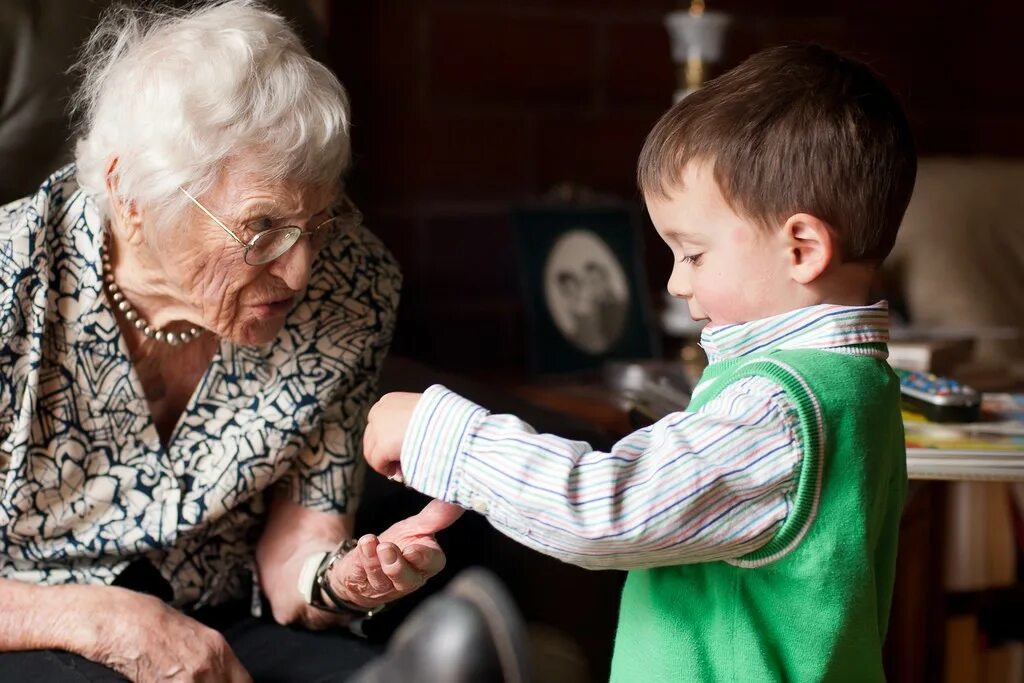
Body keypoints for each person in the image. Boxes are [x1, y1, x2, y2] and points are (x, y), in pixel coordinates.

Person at [362, 43, 916, 682]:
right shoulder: (857, 383)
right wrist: (478, 481)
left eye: (693, 254)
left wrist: (444, 436)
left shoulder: (776, 408)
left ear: (802, 248)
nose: (678, 283)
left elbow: (606, 512)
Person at [0, 2, 460, 681]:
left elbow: (295, 552)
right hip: (29, 619)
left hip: (216, 613)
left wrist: (342, 576)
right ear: (132, 193)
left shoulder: (351, 285)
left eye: (320, 220)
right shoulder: (13, 278)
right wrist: (105, 619)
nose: (301, 270)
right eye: (263, 226)